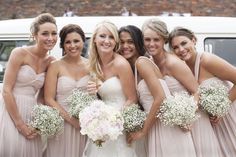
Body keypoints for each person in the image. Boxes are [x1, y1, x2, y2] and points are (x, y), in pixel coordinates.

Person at [126, 19, 198, 157]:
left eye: (156, 39)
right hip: (159, 126)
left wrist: (187, 116)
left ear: (164, 39)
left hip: (177, 126)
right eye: (147, 39)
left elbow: (196, 91)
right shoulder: (149, 62)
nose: (151, 44)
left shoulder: (173, 63)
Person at [169, 27, 236, 157]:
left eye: (184, 43)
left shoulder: (207, 60)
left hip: (229, 116)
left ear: (193, 40)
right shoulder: (182, 68)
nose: (181, 50)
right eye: (175, 47)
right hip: (211, 125)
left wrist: (223, 108)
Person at [0, 13, 57, 157]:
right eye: (45, 33)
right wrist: (20, 124)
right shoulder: (19, 53)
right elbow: (6, 90)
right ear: (34, 35)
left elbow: (42, 98)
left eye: (54, 33)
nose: (50, 38)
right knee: (13, 148)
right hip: (11, 109)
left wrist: (38, 123)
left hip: (32, 113)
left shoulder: (51, 62)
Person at [82, 21, 137, 157]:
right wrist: (93, 94)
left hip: (119, 125)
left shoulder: (120, 64)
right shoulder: (93, 64)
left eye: (111, 37)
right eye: (102, 36)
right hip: (100, 125)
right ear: (94, 39)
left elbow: (132, 98)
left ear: (115, 42)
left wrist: (113, 121)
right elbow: (99, 97)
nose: (107, 41)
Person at [44, 24, 88, 157]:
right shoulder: (55, 66)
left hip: (85, 125)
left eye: (76, 41)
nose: (72, 45)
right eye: (68, 42)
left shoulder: (91, 65)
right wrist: (71, 120)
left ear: (83, 41)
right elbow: (49, 99)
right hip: (61, 124)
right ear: (62, 44)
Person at [118, 25, 147, 157]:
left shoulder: (145, 64)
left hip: (148, 126)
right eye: (122, 42)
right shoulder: (120, 66)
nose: (125, 46)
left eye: (130, 42)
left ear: (138, 42)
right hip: (129, 127)